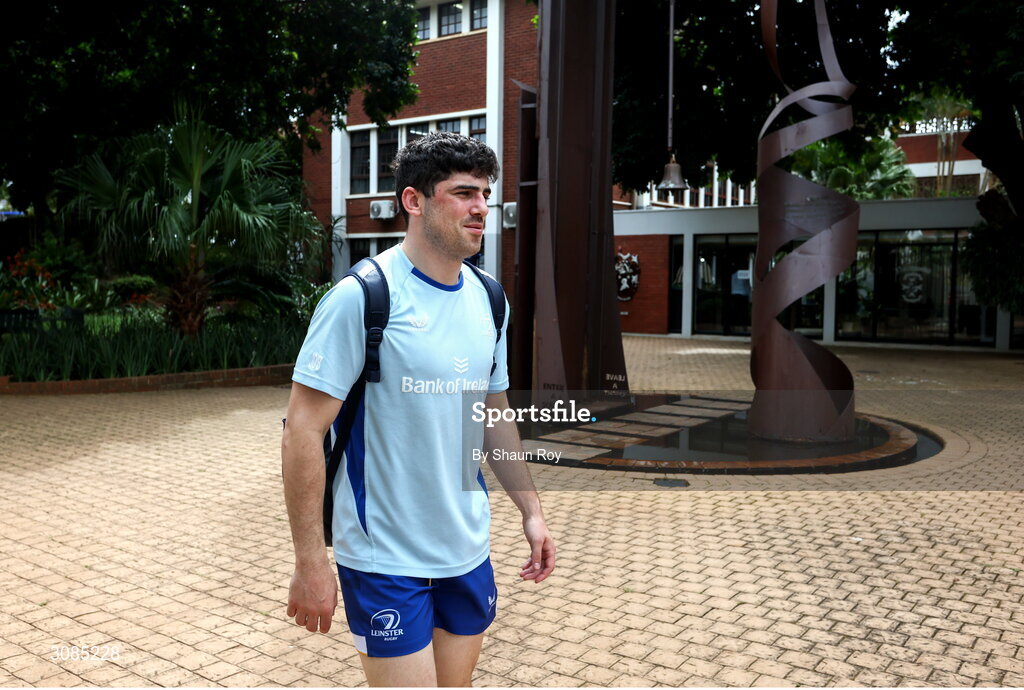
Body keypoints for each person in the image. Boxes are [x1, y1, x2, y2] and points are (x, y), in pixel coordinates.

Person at [281, 131, 556, 687]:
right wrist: (311, 560)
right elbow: (302, 431)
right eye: (463, 193)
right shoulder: (364, 296)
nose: (481, 207)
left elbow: (493, 414)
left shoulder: (489, 298)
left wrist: (530, 509)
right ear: (414, 201)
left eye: (484, 193)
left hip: (466, 548)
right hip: (384, 558)